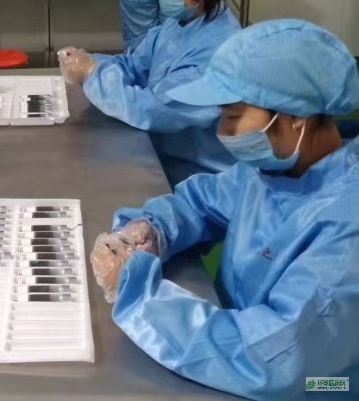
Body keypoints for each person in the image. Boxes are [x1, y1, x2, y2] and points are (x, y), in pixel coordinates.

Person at [91, 20, 359, 400]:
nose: (223, 131)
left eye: (233, 116)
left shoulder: (346, 226)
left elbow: (274, 362)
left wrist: (139, 294)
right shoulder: (273, 171)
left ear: (295, 116)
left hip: (322, 385)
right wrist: (152, 229)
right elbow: (201, 202)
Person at [60, 0, 254, 186]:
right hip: (161, 157)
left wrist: (93, 75)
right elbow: (135, 66)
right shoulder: (178, 24)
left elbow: (155, 110)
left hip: (198, 179)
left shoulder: (219, 50)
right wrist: (90, 63)